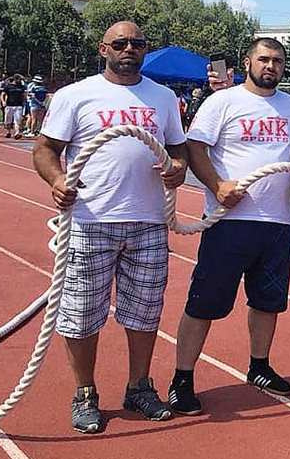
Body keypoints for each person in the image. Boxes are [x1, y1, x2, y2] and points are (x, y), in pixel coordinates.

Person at [32, 21, 188, 434]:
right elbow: (45, 149)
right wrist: (57, 180)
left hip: (148, 222)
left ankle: (139, 387)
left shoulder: (163, 97)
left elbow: (178, 149)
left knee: (145, 312)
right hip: (90, 221)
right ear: (104, 49)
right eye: (120, 43)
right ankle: (85, 392)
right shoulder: (75, 95)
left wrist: (177, 168)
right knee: (81, 314)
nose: (129, 49)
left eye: (137, 43)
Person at [168, 37, 290, 414]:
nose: (271, 66)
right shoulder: (223, 101)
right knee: (204, 303)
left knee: (268, 302)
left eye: (278, 61)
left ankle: (259, 366)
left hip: (277, 222)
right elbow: (195, 148)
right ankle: (182, 378)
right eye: (264, 59)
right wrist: (217, 186)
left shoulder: (289, 105)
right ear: (248, 62)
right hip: (229, 223)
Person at [1, 74, 26, 139]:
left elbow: (24, 95)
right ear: (15, 79)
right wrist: (3, 101)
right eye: (19, 79)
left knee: (17, 120)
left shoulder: (22, 87)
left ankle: (17, 133)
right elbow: (2, 94)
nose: (20, 81)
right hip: (9, 105)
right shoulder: (8, 87)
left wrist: (24, 102)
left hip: (18, 105)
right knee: (8, 120)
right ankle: (8, 132)